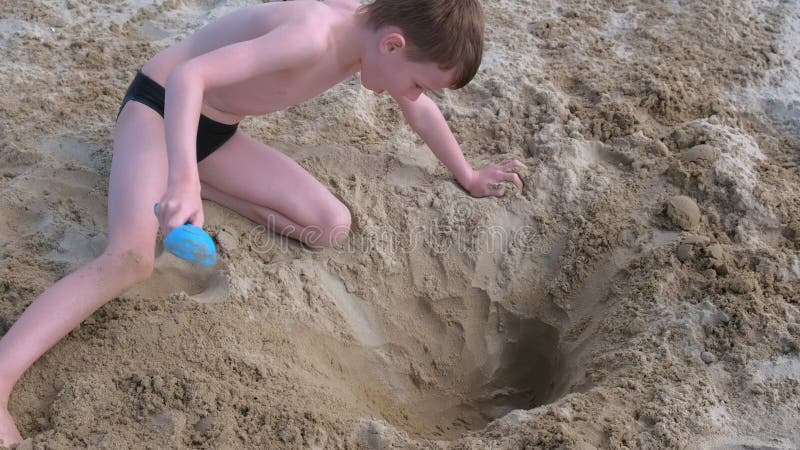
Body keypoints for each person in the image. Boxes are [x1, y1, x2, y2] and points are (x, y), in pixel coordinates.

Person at [0, 0, 526, 444]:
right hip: (160, 110)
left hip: (216, 134)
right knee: (131, 259)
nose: (413, 95)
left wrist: (469, 174)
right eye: (416, 83)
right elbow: (189, 76)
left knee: (330, 225)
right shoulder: (313, 37)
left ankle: (178, 182)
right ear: (392, 44)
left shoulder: (376, 37)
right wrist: (181, 178)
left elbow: (421, 113)